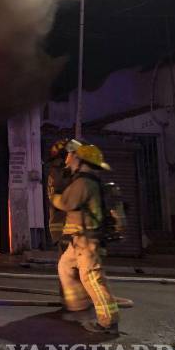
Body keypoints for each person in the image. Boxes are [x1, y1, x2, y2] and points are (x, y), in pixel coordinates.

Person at [48, 143, 120, 335]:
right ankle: (79, 307)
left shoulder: (83, 183)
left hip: (86, 241)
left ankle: (108, 322)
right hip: (78, 241)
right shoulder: (86, 180)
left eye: (71, 155)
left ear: (80, 160)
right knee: (65, 266)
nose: (67, 158)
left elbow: (66, 202)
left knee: (92, 280)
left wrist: (54, 195)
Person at [45, 138, 83, 245]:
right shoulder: (62, 173)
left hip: (63, 228)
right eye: (73, 154)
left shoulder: (55, 171)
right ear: (65, 155)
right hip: (66, 228)